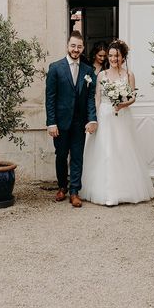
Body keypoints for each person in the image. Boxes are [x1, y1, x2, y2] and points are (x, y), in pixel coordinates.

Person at [80, 39, 154, 206]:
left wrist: (122, 104)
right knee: (105, 152)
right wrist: (94, 119)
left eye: (117, 56)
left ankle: (126, 191)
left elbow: (133, 97)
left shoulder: (128, 75)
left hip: (122, 117)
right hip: (105, 116)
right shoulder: (102, 75)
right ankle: (107, 192)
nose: (113, 59)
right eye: (111, 55)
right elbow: (97, 98)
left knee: (122, 150)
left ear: (123, 57)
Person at [45, 31, 98, 208]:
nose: (76, 49)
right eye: (73, 46)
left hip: (79, 122)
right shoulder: (55, 68)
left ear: (83, 48)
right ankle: (62, 187)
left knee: (77, 157)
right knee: (61, 156)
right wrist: (51, 122)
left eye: (79, 46)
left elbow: (90, 98)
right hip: (60, 123)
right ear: (68, 46)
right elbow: (50, 98)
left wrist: (92, 119)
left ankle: (75, 191)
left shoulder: (88, 70)